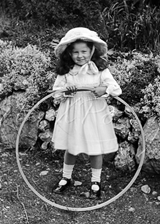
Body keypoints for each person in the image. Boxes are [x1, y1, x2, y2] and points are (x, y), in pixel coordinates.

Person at [51, 27, 122, 198]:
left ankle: (96, 181)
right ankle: (66, 177)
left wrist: (103, 88)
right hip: (73, 114)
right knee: (71, 147)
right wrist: (67, 92)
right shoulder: (67, 71)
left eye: (84, 51)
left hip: (94, 113)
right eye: (75, 52)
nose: (80, 55)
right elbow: (56, 92)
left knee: (95, 148)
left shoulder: (100, 69)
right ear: (69, 53)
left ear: (92, 51)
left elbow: (116, 88)